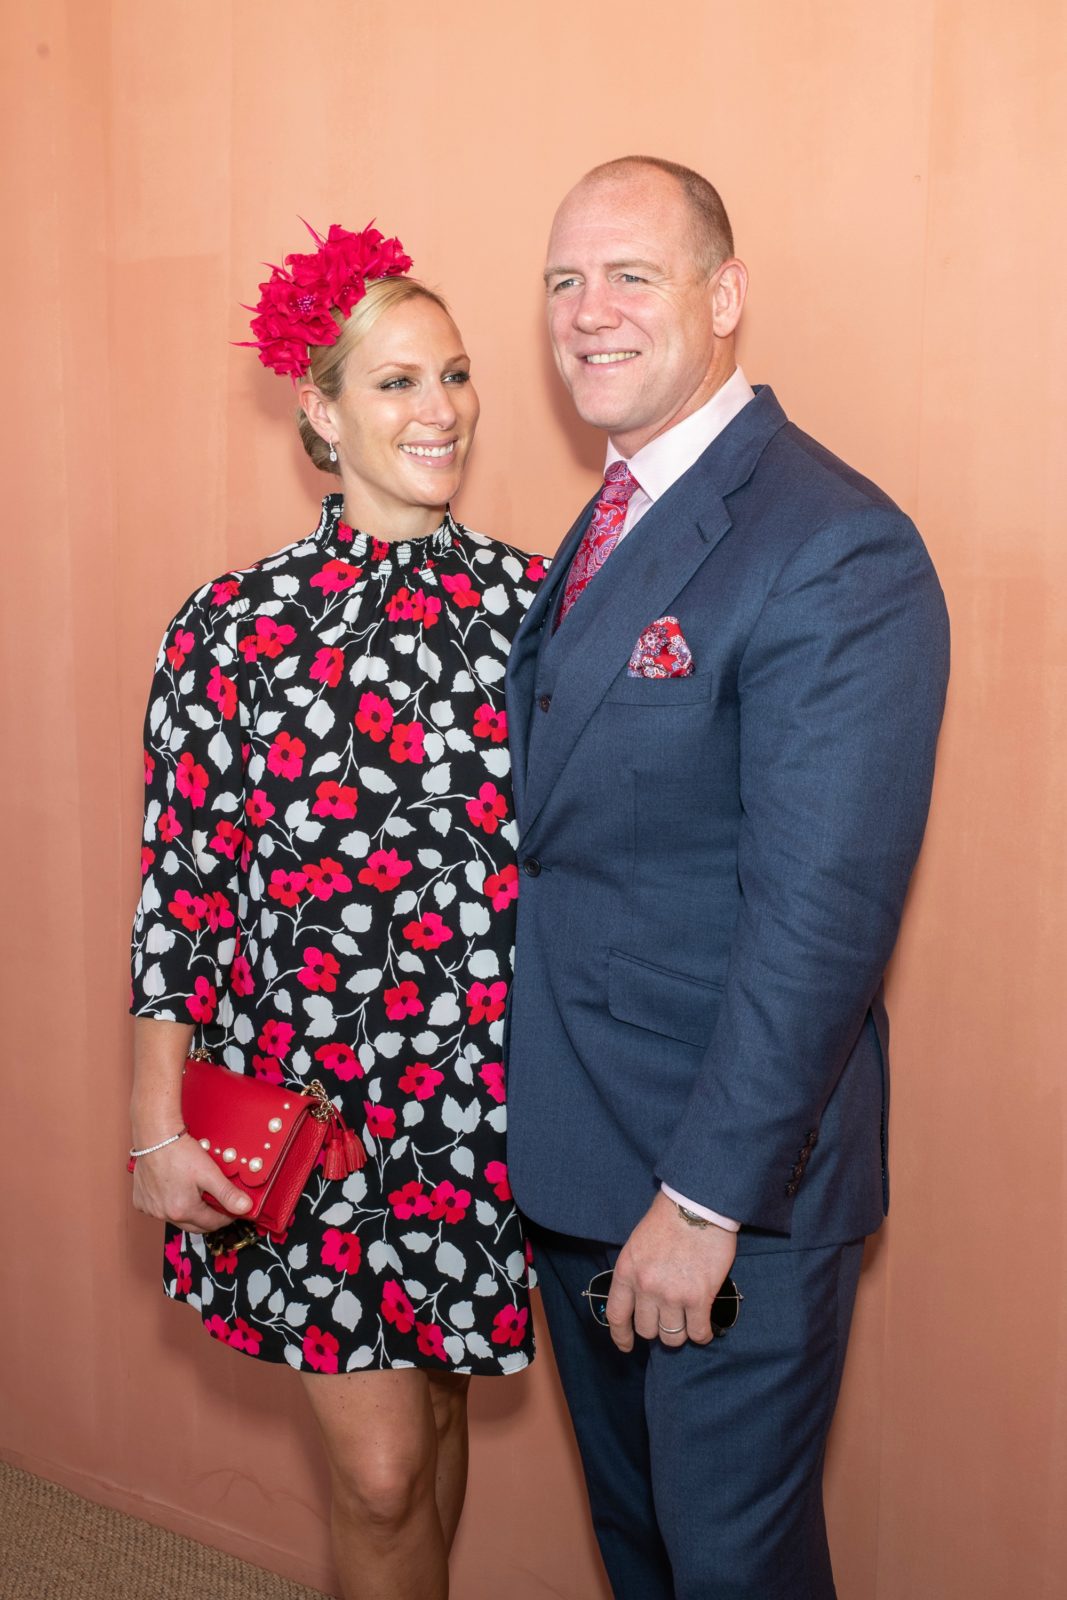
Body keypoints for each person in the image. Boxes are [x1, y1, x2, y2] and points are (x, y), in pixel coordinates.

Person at [504, 156, 950, 1599]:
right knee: (645, 1558)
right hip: (579, 1165)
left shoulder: (832, 545)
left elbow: (820, 922)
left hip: (717, 1196)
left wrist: (702, 1208)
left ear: (727, 295)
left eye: (631, 274)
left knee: (731, 1571)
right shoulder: (612, 516)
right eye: (565, 281)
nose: (588, 313)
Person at [128, 220, 545, 1600]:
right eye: (396, 382)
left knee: (426, 1434)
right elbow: (177, 892)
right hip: (309, 1121)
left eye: (457, 375)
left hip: (477, 1104)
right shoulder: (229, 626)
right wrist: (153, 1126)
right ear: (321, 409)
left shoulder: (533, 612)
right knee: (374, 1473)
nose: (441, 412)